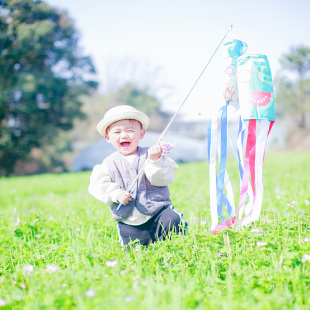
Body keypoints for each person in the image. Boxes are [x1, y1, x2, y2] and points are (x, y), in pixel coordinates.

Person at [88, 105, 186, 248]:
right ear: (108, 138)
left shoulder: (152, 154)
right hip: (130, 220)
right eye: (117, 132)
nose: (124, 135)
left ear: (141, 133)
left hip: (157, 212)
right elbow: (98, 186)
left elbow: (163, 179)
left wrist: (155, 161)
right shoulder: (108, 164)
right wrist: (115, 194)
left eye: (130, 130)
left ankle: (175, 248)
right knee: (135, 253)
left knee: (171, 220)